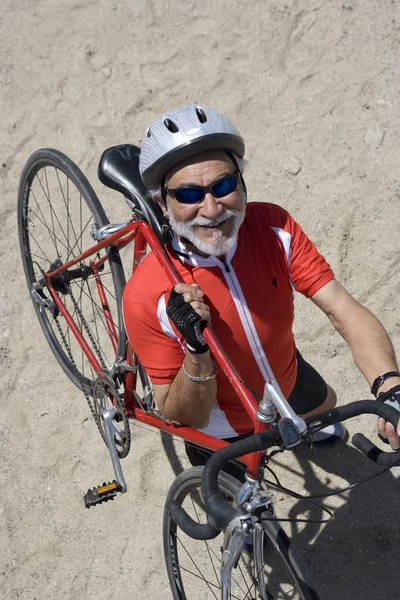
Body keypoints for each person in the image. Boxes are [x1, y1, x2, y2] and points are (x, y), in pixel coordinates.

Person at [122, 104, 400, 476]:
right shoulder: (145, 293)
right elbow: (183, 414)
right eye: (188, 194)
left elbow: (343, 309)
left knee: (327, 404)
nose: (210, 208)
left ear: (240, 181)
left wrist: (391, 388)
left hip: (285, 379)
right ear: (161, 202)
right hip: (221, 427)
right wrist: (195, 349)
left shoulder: (274, 227)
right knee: (242, 520)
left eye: (222, 185)